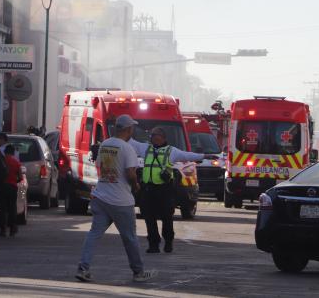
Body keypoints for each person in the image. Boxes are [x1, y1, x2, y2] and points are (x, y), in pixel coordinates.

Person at [76, 115, 154, 283]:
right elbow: (131, 173)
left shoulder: (105, 144)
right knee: (130, 238)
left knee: (94, 234)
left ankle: (83, 268)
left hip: (100, 197)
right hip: (121, 201)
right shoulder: (127, 149)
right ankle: (138, 272)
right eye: (132, 127)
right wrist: (136, 186)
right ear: (128, 129)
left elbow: (100, 166)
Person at [133, 127, 216, 254]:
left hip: (164, 190)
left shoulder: (172, 151)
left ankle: (168, 242)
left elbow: (187, 155)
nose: (155, 137)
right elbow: (129, 142)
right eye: (153, 135)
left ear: (164, 138)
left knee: (167, 217)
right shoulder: (145, 148)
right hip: (148, 189)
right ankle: (153, 244)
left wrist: (205, 156)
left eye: (157, 135)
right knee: (149, 218)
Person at [0, 144, 22, 237]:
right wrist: (15, 180)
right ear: (13, 152)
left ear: (5, 152)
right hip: (12, 187)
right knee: (12, 208)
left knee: (2, 209)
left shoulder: (1, 161)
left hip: (2, 186)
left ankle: (3, 230)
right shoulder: (16, 162)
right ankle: (12, 229)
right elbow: (20, 177)